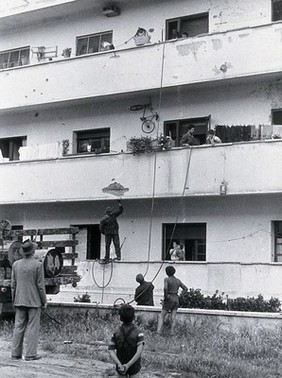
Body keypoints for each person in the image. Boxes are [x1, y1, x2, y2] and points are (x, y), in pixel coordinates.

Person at [11, 239, 47, 361]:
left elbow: (13, 285)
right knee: (32, 327)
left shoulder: (16, 265)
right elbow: (41, 286)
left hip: (19, 300)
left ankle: (15, 354)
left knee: (18, 326)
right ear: (33, 251)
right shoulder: (38, 265)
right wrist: (44, 301)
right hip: (34, 301)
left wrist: (13, 300)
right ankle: (30, 354)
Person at [108, 304, 145, 377]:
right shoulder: (139, 333)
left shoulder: (116, 333)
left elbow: (110, 349)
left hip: (121, 364)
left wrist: (119, 364)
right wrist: (128, 365)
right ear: (133, 317)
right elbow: (139, 352)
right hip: (134, 365)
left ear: (120, 318)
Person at [157, 266, 187, 336]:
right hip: (176, 298)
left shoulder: (166, 279)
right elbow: (185, 288)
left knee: (161, 316)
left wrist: (166, 296)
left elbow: (165, 288)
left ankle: (158, 333)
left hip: (169, 298)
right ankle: (172, 333)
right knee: (173, 317)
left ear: (167, 272)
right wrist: (180, 296)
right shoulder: (178, 280)